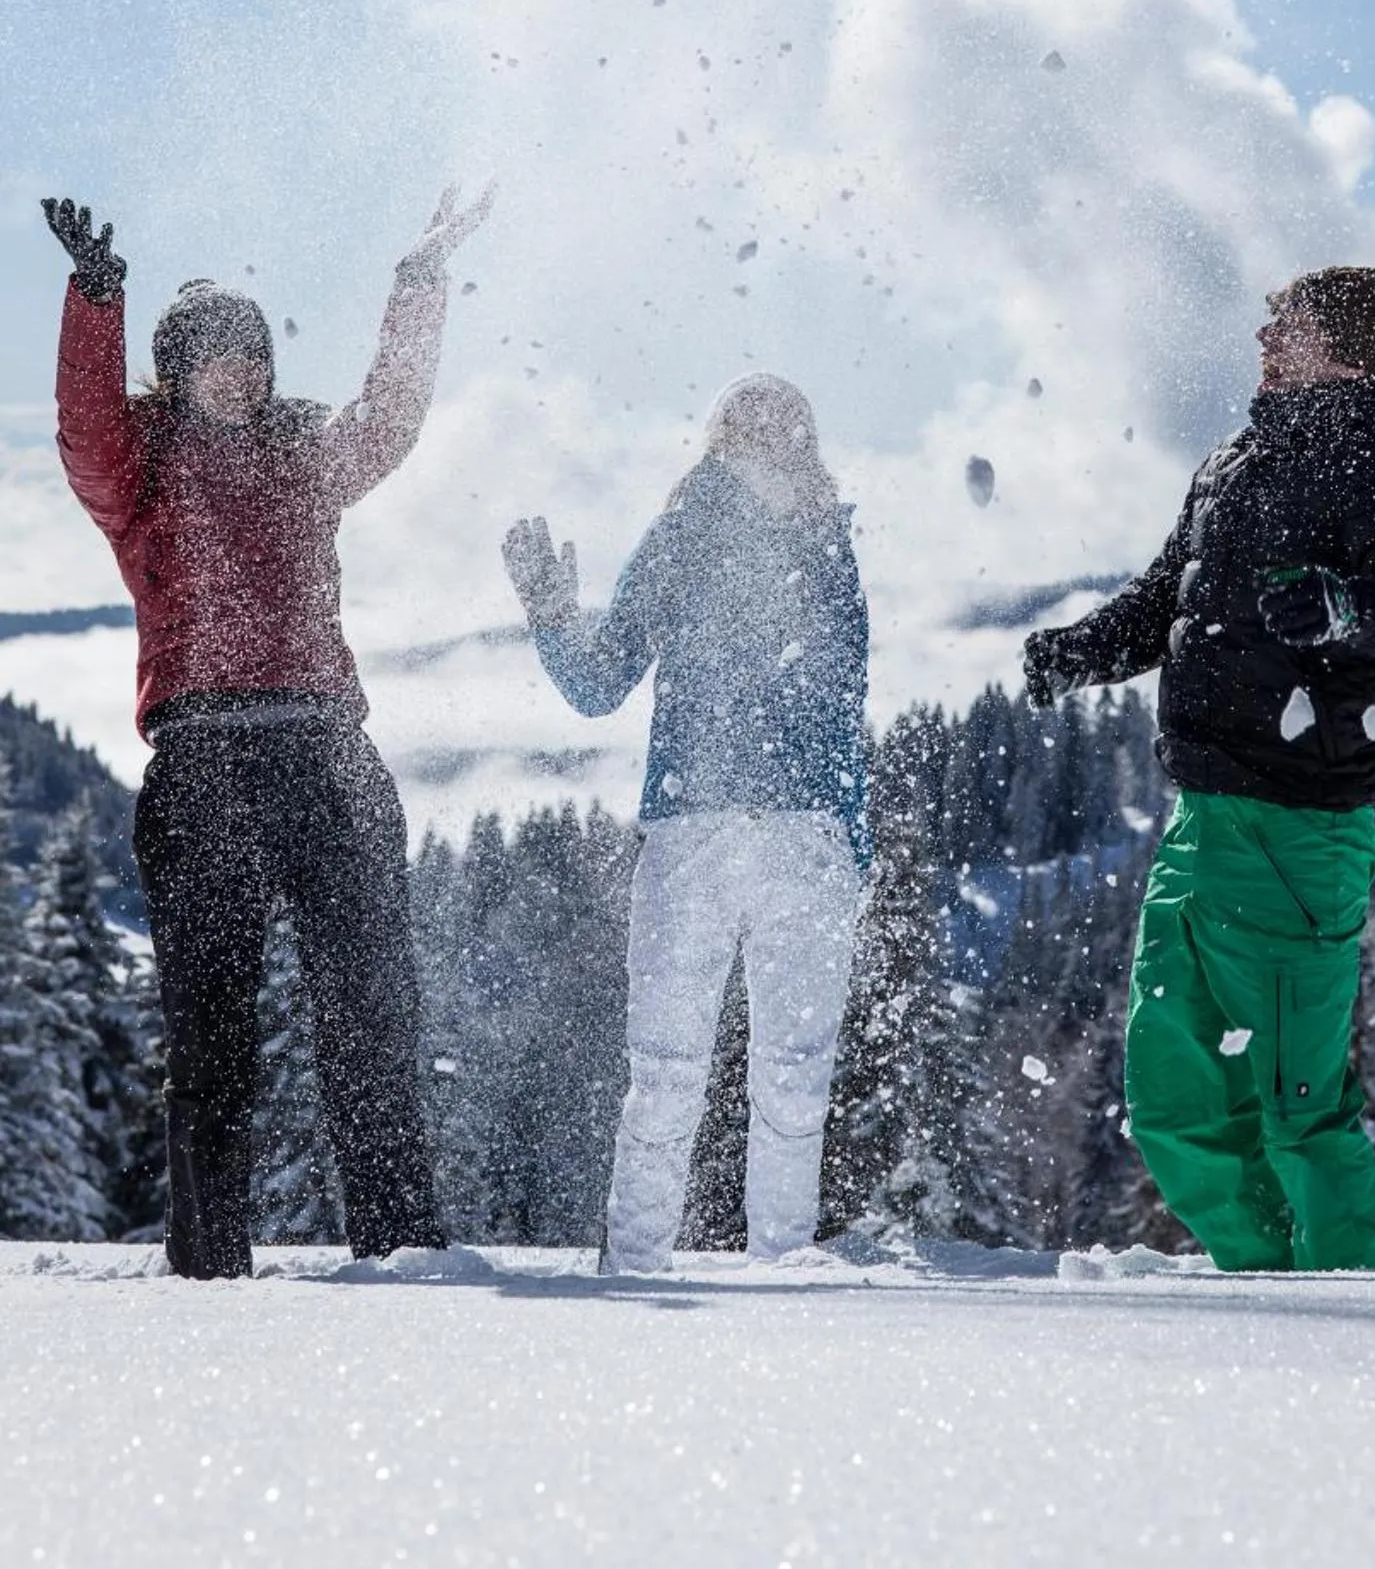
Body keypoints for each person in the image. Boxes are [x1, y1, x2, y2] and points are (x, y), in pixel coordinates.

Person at [45, 183, 492, 1280]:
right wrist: (96, 299)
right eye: (210, 357)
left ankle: (401, 1248)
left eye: (250, 355)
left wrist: (420, 281)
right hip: (202, 764)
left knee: (369, 1010)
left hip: (327, 754)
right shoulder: (139, 479)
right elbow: (86, 431)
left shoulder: (306, 458)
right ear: (178, 369)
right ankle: (209, 1268)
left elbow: (389, 416)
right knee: (209, 1035)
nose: (236, 372)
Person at [1024, 246, 1375, 1272]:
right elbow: (1159, 601)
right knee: (1170, 1097)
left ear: (1347, 356)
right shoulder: (1234, 463)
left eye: (1289, 328)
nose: (1264, 341)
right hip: (1201, 818)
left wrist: (1345, 608)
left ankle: (1351, 1303)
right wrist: (1078, 651)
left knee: (1294, 1103)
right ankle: (1270, 1290)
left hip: (1298, 826)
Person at [503, 374, 869, 1273]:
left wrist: (850, 844)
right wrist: (550, 614)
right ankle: (640, 1271)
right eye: (754, 419)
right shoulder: (687, 536)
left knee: (781, 1076)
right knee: (683, 1076)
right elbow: (598, 683)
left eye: (788, 419)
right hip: (704, 833)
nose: (771, 434)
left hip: (794, 839)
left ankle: (776, 1271)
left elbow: (845, 704)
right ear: (721, 436)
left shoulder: (828, 543)